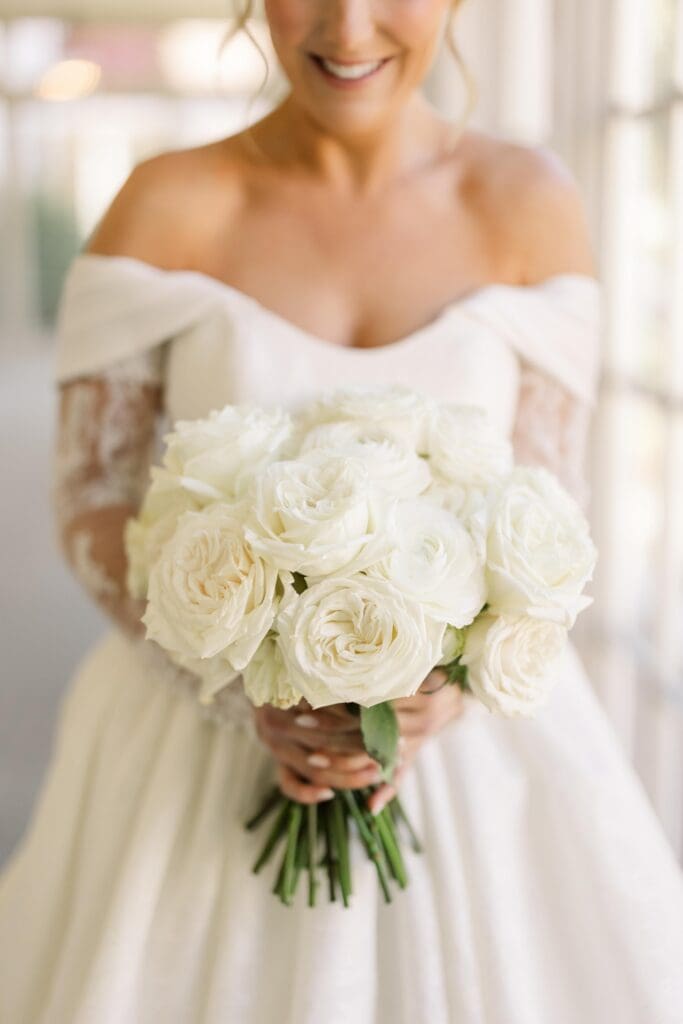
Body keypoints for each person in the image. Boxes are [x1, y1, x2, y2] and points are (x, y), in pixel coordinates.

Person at [2, 2, 683, 1021]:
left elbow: (549, 507)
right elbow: (91, 492)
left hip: (474, 760)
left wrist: (450, 674)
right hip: (190, 734)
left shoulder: (530, 201)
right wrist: (243, 678)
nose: (348, 29)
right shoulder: (164, 203)